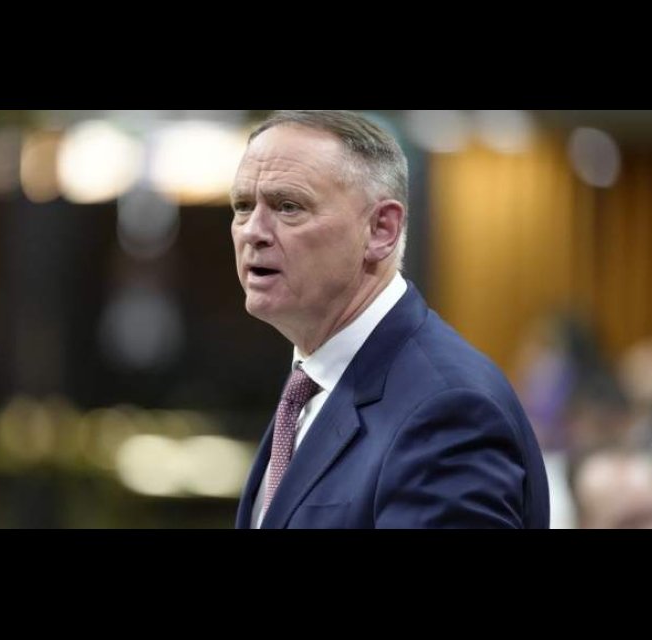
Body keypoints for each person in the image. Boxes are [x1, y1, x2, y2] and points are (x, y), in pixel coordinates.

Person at [231, 110, 550, 528]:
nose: (252, 231)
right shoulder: (310, 384)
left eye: (288, 206)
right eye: (242, 206)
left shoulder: (448, 411)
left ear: (381, 229)